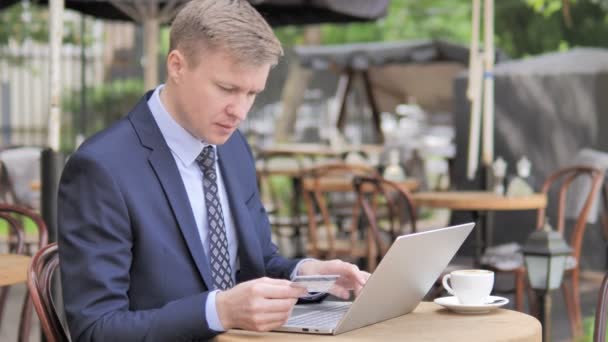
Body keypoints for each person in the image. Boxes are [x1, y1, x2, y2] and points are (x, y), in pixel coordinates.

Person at [57, 0, 370, 340]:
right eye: (227, 89)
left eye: (253, 93)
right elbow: (95, 330)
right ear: (177, 65)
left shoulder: (233, 146)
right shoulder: (101, 168)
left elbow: (258, 261)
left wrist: (308, 275)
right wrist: (219, 311)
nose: (240, 111)